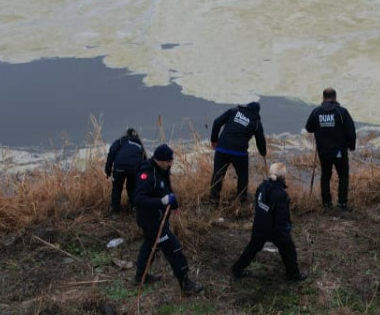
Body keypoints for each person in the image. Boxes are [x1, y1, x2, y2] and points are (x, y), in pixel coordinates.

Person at [133, 144, 203, 296]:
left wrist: (174, 204)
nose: (171, 164)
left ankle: (140, 275)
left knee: (150, 245)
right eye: (168, 161)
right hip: (150, 221)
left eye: (171, 161)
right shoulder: (147, 174)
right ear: (159, 160)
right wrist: (162, 201)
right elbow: (139, 199)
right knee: (174, 248)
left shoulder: (163, 170)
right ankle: (186, 284)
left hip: (159, 218)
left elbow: (167, 188)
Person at [231, 162, 302, 282]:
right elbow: (281, 217)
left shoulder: (262, 187)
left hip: (260, 225)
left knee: (252, 248)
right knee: (289, 250)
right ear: (283, 177)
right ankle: (293, 275)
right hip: (275, 229)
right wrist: (286, 230)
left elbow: (258, 206)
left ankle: (237, 269)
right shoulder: (281, 194)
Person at [305, 87, 357, 211]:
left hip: (323, 151)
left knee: (325, 175)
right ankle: (342, 204)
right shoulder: (341, 112)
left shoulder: (316, 112)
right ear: (335, 97)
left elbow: (309, 128)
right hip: (339, 151)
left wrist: (321, 127)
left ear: (323, 98)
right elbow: (351, 131)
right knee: (343, 176)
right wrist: (352, 146)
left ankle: (327, 204)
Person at [209, 102, 267, 205]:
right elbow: (260, 140)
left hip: (222, 149)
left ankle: (213, 200)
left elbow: (217, 122)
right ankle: (242, 200)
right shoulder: (256, 122)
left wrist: (214, 140)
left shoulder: (233, 111)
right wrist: (263, 153)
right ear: (256, 112)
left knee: (218, 174)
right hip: (239, 153)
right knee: (243, 176)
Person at [104, 128, 145, 215]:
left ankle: (115, 212)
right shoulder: (139, 144)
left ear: (126, 134)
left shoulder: (121, 141)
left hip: (120, 167)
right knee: (132, 188)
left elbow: (112, 153)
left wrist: (108, 170)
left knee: (117, 188)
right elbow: (144, 161)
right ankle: (134, 208)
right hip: (134, 169)